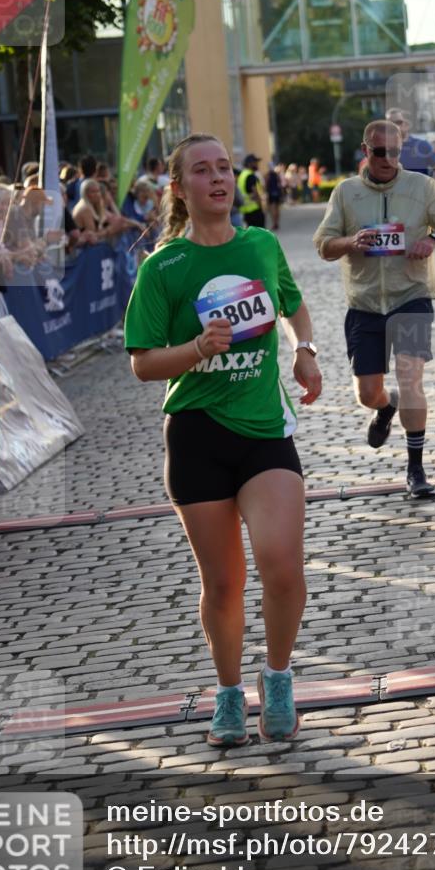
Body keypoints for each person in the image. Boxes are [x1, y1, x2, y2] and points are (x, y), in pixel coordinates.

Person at [124, 134, 322, 746]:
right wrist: (195, 349)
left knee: (282, 565)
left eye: (224, 168)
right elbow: (143, 362)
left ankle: (279, 677)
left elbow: (293, 306)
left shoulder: (260, 245)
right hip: (196, 437)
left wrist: (305, 352)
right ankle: (230, 694)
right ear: (179, 188)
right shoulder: (164, 268)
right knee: (224, 583)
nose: (217, 178)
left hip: (264, 432)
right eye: (201, 171)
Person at [313, 119, 435, 498]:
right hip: (364, 304)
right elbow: (324, 245)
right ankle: (386, 406)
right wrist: (350, 242)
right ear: (366, 150)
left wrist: (430, 240)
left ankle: (416, 470)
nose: (389, 160)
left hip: (411, 296)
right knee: (366, 392)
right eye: (381, 152)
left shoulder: (422, 187)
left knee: (411, 378)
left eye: (395, 152)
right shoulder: (345, 193)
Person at [385, 108, 435, 183]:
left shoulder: (422, 145)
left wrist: (431, 189)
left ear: (406, 124)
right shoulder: (383, 148)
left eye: (398, 122)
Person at [237, 153, 266, 228]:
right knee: (260, 235)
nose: (257, 164)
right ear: (250, 163)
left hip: (245, 211)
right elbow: (255, 193)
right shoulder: (250, 176)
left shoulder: (242, 174)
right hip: (254, 210)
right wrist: (261, 207)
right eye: (255, 162)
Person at [265, 163, 283, 230]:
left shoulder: (267, 175)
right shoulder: (277, 174)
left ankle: (274, 223)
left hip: (271, 194)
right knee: (277, 209)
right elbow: (280, 184)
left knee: (272, 209)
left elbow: (266, 185)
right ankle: (276, 222)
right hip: (277, 193)